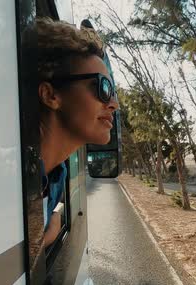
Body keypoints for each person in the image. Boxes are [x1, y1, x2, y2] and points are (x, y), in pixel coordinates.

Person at [30, 18, 119, 247]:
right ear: (51, 96)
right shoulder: (9, 180)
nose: (114, 104)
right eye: (103, 88)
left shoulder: (56, 176)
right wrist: (44, 238)